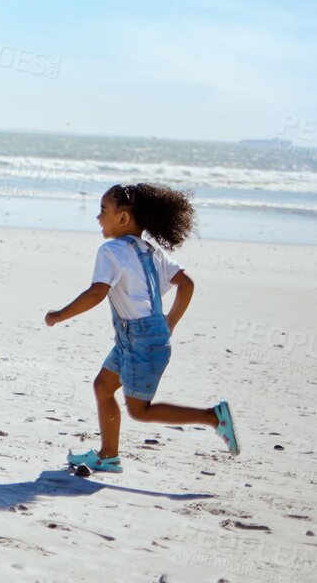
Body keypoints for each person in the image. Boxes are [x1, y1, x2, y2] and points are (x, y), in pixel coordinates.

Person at [44, 183, 240, 471]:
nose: (98, 218)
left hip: (141, 339)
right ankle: (108, 456)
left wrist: (60, 314)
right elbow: (186, 284)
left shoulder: (110, 250)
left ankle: (213, 417)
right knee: (103, 386)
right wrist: (168, 323)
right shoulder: (152, 251)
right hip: (137, 336)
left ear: (123, 218)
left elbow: (97, 293)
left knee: (140, 410)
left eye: (102, 211)